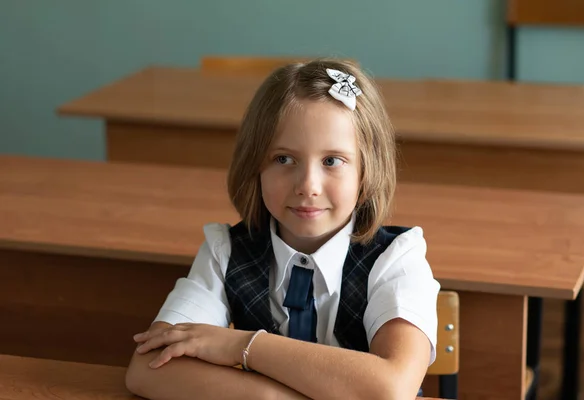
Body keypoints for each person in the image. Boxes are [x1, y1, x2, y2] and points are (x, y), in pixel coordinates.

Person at [125, 59, 440, 400]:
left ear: (367, 173)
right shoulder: (226, 251)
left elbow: (391, 390)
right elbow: (148, 368)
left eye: (332, 161)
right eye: (284, 159)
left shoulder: (397, 259)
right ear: (254, 165)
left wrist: (242, 346)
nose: (308, 186)